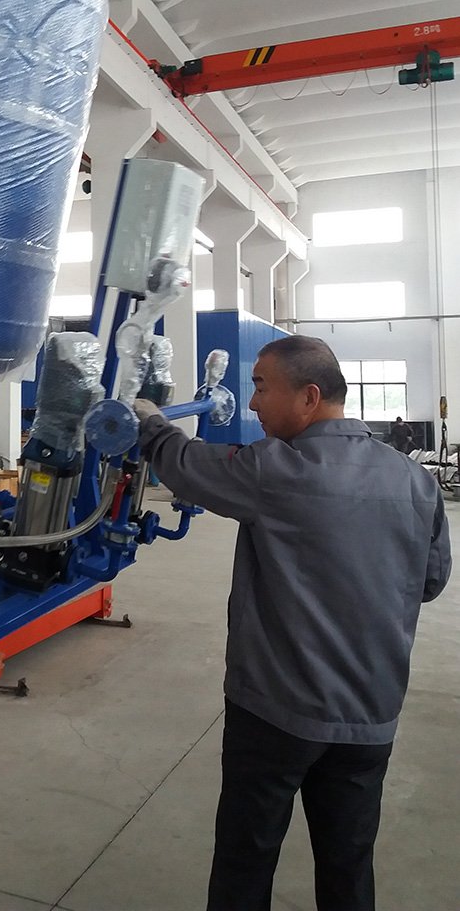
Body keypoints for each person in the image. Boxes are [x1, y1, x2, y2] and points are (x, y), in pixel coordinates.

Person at [134, 336, 452, 911]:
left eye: (261, 387)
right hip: (371, 713)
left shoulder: (273, 470)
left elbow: (186, 465)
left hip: (275, 712)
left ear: (308, 397)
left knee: (246, 859)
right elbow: (429, 582)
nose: (253, 403)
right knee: (348, 862)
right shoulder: (415, 480)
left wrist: (151, 424)